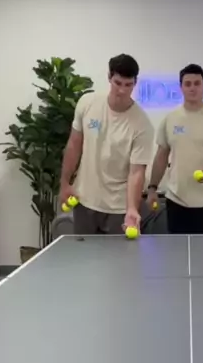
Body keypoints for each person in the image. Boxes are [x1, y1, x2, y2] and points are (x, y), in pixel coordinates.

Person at [60, 53, 154, 235]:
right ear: (109, 77)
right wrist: (64, 183)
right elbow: (74, 145)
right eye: (118, 83)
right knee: (83, 253)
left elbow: (136, 172)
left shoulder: (142, 124)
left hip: (119, 209)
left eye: (128, 85)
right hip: (84, 200)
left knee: (118, 255)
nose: (122, 90)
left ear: (135, 83)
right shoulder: (87, 103)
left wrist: (132, 208)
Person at [147, 64, 203, 234]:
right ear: (181, 87)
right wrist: (152, 188)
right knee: (178, 250)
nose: (192, 88)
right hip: (176, 201)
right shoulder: (170, 119)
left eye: (197, 83)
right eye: (187, 84)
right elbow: (161, 156)